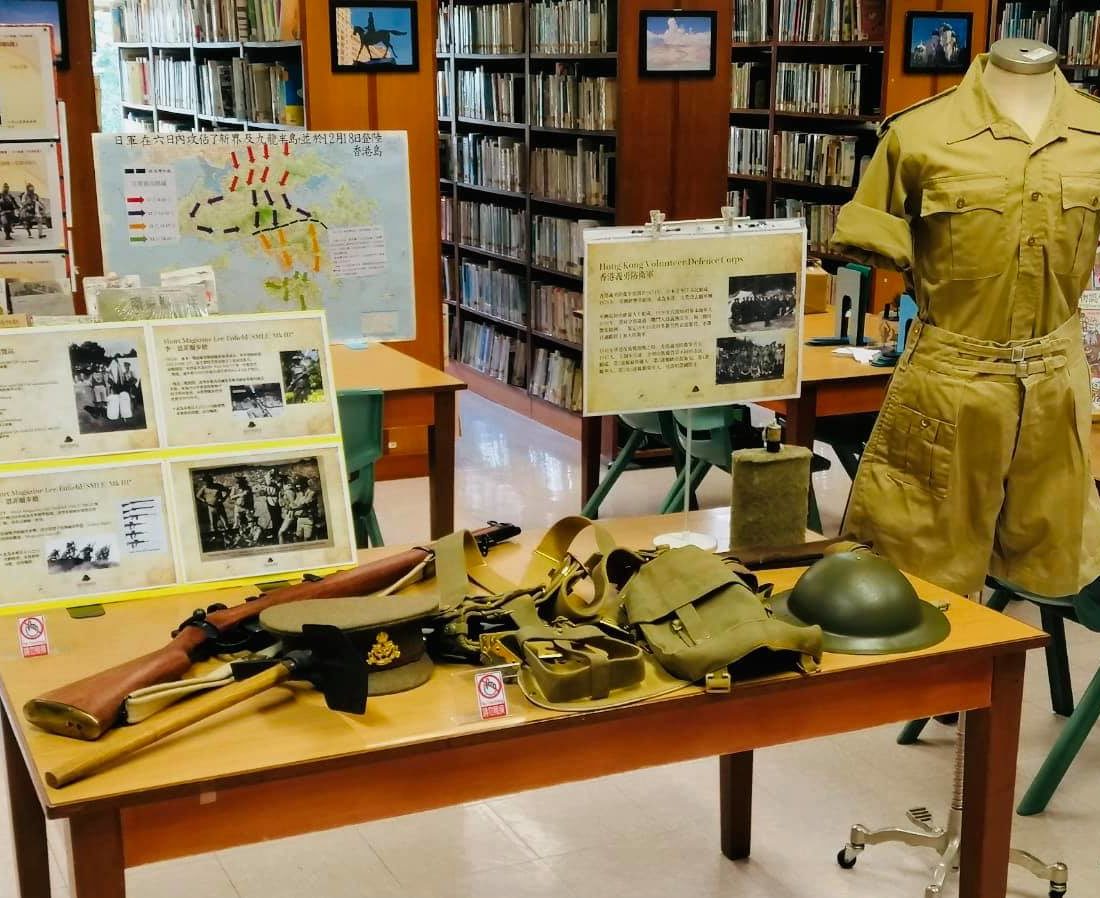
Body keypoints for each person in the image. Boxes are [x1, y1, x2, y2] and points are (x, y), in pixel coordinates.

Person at [195, 475, 230, 544]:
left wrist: (224, 498)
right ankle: (216, 539)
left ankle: (228, 537)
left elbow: (228, 490)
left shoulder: (218, 486)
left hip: (219, 507)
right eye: (204, 481)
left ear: (210, 480)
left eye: (206, 481)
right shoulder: (204, 488)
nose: (205, 483)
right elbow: (198, 496)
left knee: (225, 523)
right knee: (213, 525)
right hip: (211, 508)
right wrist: (204, 500)